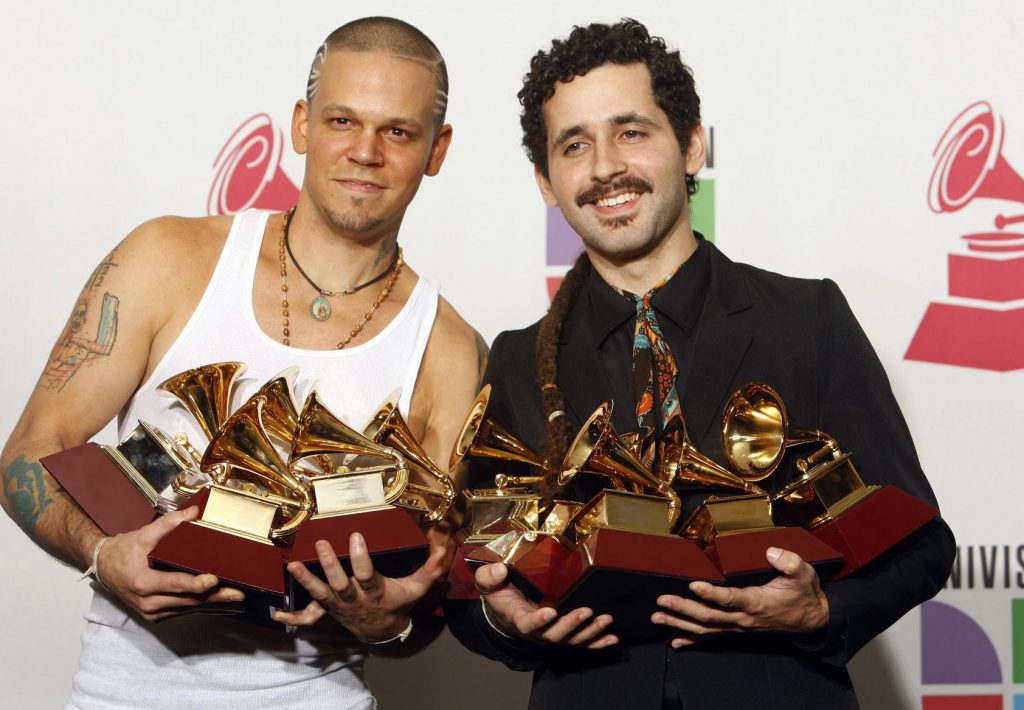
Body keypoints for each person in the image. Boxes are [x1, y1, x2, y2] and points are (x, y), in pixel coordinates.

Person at [446, 19, 955, 710]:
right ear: (545, 181)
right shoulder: (513, 359)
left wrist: (821, 612)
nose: (604, 168)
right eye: (574, 145)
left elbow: (920, 541)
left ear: (691, 145)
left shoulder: (808, 319)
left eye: (631, 132)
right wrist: (502, 622)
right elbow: (467, 579)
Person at [0, 16, 484, 710]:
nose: (365, 153)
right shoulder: (165, 258)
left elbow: (421, 600)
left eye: (398, 132)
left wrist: (389, 619)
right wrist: (103, 555)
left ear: (437, 150)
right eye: (342, 120)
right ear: (301, 125)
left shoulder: (450, 349)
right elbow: (29, 453)